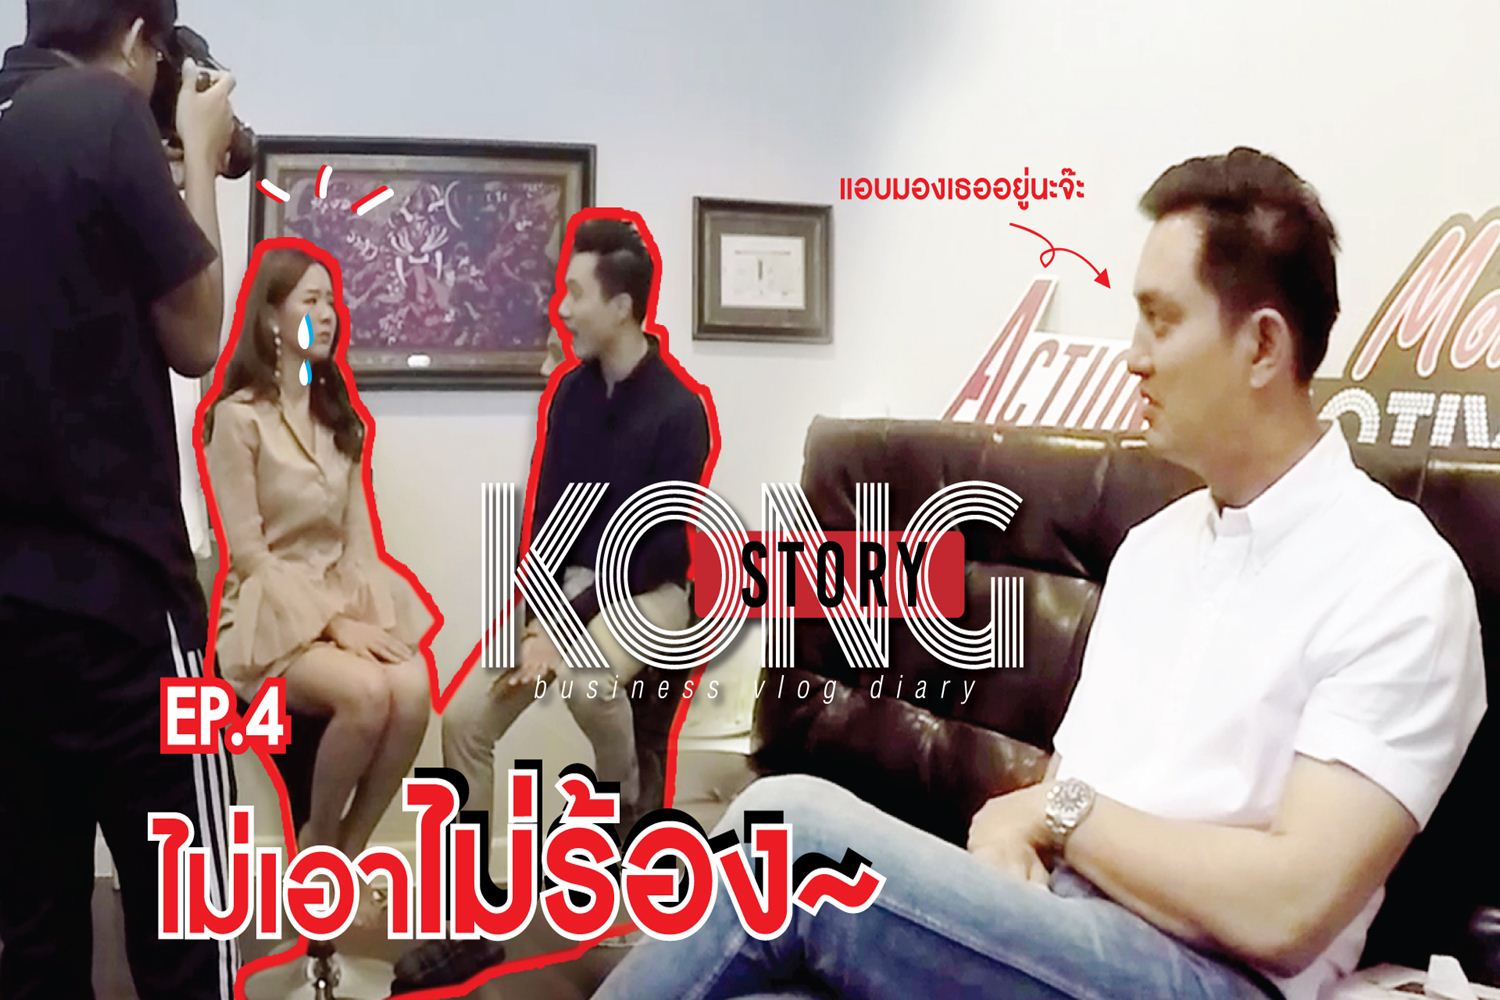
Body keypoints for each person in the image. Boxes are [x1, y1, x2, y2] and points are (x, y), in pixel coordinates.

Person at [593, 148, 1487, 1000]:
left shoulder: (1399, 580)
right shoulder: (1156, 548)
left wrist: (1056, 815)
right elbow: (1058, 792)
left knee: (789, 836)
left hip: (1214, 976)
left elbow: (1286, 907)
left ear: (1261, 348)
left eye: (1162, 320)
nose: (1133, 355)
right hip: (1064, 932)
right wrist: (1008, 837)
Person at [391, 215, 714, 993]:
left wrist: (561, 631)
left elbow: (652, 546)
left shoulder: (681, 411)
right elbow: (545, 520)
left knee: (587, 679)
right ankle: (470, 919)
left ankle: (621, 801)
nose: (560, 308)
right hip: (564, 590)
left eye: (575, 293)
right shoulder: (569, 394)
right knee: (465, 720)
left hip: (650, 590)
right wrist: (540, 616)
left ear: (623, 306)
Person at [0, 0, 238, 995]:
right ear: (143, 40)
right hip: (124, 604)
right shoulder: (103, 111)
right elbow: (197, 336)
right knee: (189, 914)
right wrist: (199, 153)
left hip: (9, 611)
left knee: (34, 931)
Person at [202, 246, 432, 921]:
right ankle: (317, 848)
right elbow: (250, 555)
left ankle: (344, 857)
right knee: (366, 694)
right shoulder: (238, 419)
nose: (327, 314)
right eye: (310, 300)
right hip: (268, 615)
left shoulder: (340, 420)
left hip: (338, 600)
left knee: (413, 691)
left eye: (331, 301)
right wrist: (334, 625)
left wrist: (366, 621)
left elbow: (359, 543)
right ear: (271, 319)